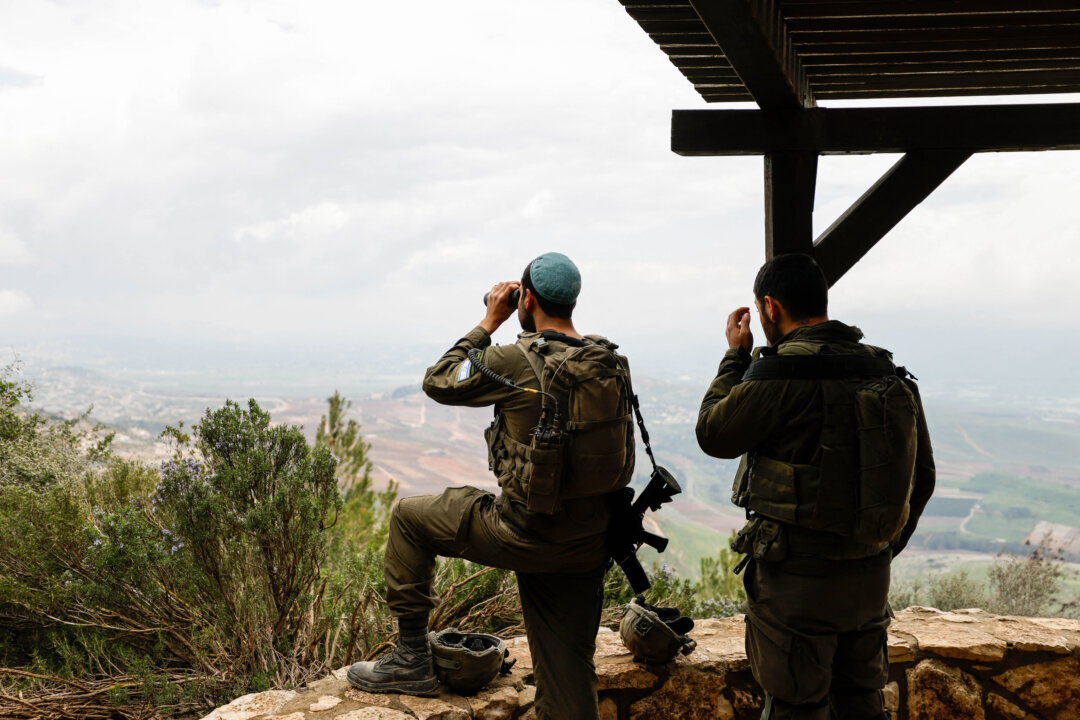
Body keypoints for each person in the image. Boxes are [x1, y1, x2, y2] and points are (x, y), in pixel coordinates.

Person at [348, 252, 631, 720]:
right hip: (587, 542)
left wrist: (489, 321)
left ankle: (411, 659)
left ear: (528, 299)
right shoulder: (608, 362)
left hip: (523, 532)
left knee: (409, 517)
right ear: (573, 302)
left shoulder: (516, 361)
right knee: (569, 674)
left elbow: (440, 380)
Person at [695, 253, 935, 720]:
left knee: (797, 706)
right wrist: (878, 547)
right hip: (869, 577)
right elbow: (921, 477)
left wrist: (735, 356)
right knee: (862, 701)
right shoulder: (882, 370)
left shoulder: (779, 374)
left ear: (770, 307)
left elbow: (713, 433)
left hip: (796, 584)